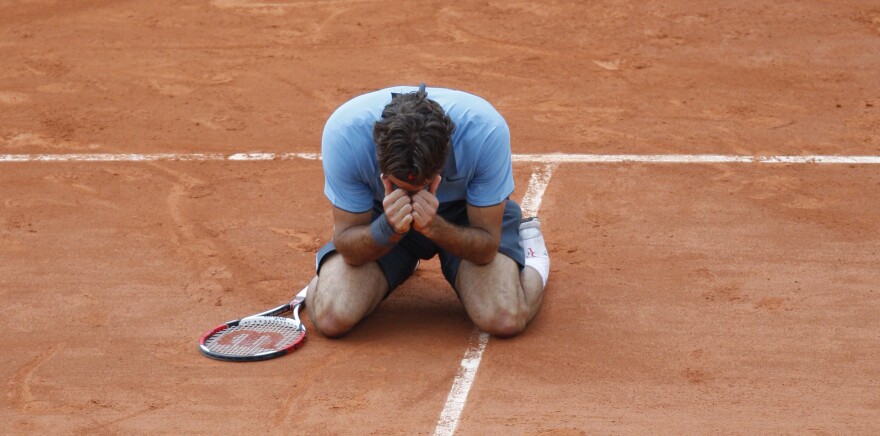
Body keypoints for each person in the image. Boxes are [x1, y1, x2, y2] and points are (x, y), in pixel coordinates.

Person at [306, 83, 550, 338]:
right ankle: (333, 276)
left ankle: (534, 256)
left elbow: (487, 245)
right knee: (331, 317)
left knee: (505, 318)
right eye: (401, 187)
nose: (414, 194)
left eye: (423, 185)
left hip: (465, 213)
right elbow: (349, 246)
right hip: (383, 214)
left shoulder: (485, 131)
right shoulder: (344, 134)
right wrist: (386, 228)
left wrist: (434, 226)